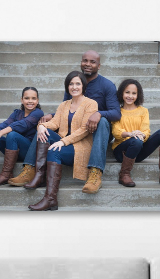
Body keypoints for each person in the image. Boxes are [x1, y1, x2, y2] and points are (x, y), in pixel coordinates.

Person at [10, 50, 120, 193]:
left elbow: (116, 113)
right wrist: (47, 120)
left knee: (103, 121)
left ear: (99, 66)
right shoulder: (73, 85)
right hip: (72, 131)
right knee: (44, 131)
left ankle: (95, 173)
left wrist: (98, 113)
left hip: (94, 132)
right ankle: (30, 169)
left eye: (92, 62)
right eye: (85, 60)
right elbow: (67, 111)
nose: (88, 64)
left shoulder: (106, 86)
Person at [28, 71, 99, 211]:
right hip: (63, 141)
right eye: (71, 84)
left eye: (78, 83)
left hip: (80, 147)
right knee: (45, 133)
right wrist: (42, 126)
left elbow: (85, 130)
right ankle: (40, 175)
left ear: (83, 86)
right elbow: (54, 123)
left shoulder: (91, 104)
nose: (74, 87)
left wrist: (63, 142)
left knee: (54, 152)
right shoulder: (64, 105)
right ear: (67, 87)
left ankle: (50, 198)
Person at [109, 79, 160, 188]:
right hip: (121, 152)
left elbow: (146, 131)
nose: (130, 96)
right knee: (136, 140)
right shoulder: (117, 111)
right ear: (121, 93)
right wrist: (130, 134)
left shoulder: (143, 111)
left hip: (139, 149)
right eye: (127, 92)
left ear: (138, 95)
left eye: (134, 93)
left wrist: (142, 135)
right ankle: (124, 174)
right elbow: (116, 132)